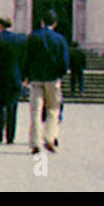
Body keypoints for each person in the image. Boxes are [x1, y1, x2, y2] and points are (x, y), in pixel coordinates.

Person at [23, 9, 69, 155]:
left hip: (36, 79)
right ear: (55, 23)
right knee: (53, 110)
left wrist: (26, 76)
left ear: (42, 21)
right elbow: (64, 61)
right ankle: (49, 137)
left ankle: (35, 143)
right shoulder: (59, 39)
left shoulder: (32, 37)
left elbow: (26, 58)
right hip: (53, 79)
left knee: (35, 112)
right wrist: (60, 74)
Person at [0, 16, 26, 144]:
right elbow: (24, 58)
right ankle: (10, 136)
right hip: (14, 76)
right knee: (12, 108)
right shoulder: (20, 39)